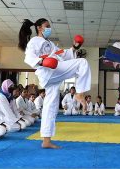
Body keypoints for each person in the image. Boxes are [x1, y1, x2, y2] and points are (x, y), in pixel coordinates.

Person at [19, 18, 91, 149]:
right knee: (82, 63)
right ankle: (79, 93)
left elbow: (62, 54)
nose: (49, 28)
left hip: (53, 73)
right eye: (47, 26)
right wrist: (42, 62)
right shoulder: (34, 41)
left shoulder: (50, 44)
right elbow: (28, 57)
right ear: (39, 28)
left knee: (50, 108)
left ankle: (46, 140)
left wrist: (75, 47)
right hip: (49, 71)